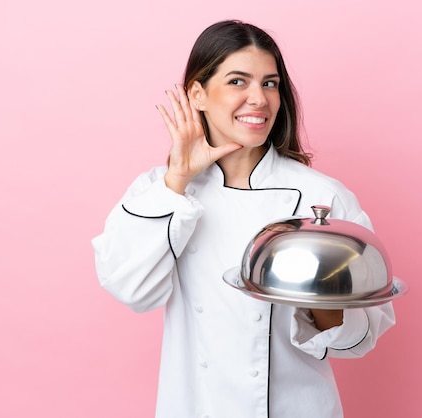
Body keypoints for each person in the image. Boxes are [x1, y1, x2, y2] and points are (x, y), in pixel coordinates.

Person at [92, 19, 396, 418]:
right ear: (197, 94)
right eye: (238, 81)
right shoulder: (163, 190)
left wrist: (323, 299)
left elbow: (361, 337)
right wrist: (178, 178)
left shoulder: (321, 196)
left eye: (270, 83)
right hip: (195, 405)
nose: (259, 99)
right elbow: (132, 289)